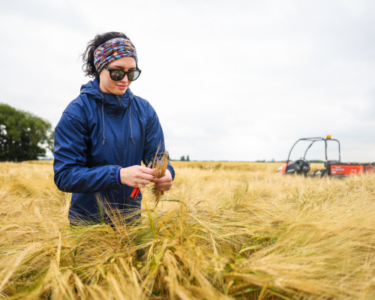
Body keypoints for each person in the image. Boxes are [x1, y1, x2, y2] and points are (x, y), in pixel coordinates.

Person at [53, 32, 175, 224]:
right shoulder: (77, 113)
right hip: (88, 225)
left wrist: (166, 173)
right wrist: (118, 175)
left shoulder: (145, 111)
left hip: (131, 220)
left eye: (132, 73)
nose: (125, 79)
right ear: (99, 67)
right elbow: (65, 175)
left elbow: (157, 158)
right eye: (117, 72)